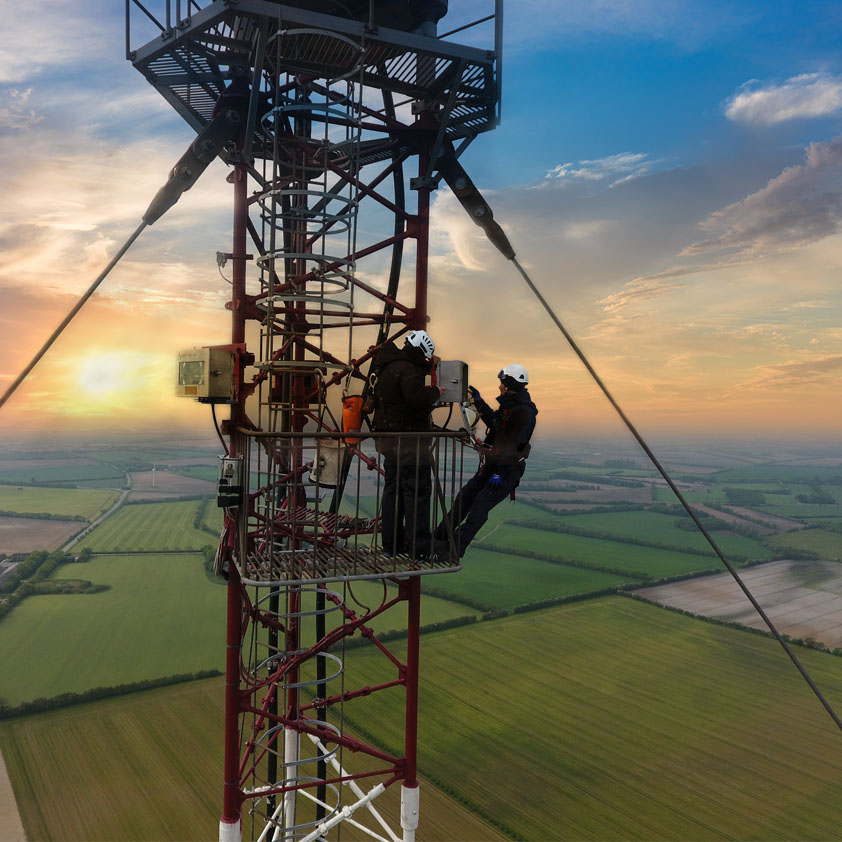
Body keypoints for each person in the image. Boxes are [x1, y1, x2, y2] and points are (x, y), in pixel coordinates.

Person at [435, 364, 537, 559]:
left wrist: (498, 470)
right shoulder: (510, 406)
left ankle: (454, 549)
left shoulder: (525, 413)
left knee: (480, 504)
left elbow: (515, 447)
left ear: (508, 386)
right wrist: (479, 403)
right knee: (466, 496)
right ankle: (439, 538)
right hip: (493, 465)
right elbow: (496, 425)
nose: (499, 387)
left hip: (504, 471)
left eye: (501, 384)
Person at [370, 330, 441, 558]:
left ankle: (391, 546)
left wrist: (428, 369)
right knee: (417, 493)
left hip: (389, 442)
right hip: (410, 443)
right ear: (421, 352)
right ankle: (417, 549)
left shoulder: (388, 366)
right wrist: (435, 392)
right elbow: (416, 400)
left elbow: (404, 389)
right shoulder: (408, 369)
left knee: (394, 492)